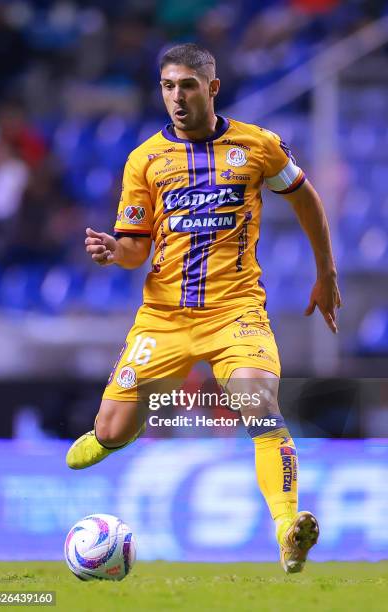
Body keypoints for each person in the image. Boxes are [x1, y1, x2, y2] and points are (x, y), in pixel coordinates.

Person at [66, 43, 341, 573]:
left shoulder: (257, 146)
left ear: (211, 89)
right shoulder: (144, 160)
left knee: (258, 404)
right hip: (163, 319)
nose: (176, 97)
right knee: (113, 430)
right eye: (167, 87)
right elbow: (135, 247)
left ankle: (287, 528)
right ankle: (108, 434)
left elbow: (308, 200)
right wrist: (111, 251)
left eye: (187, 86)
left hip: (235, 314)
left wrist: (325, 273)